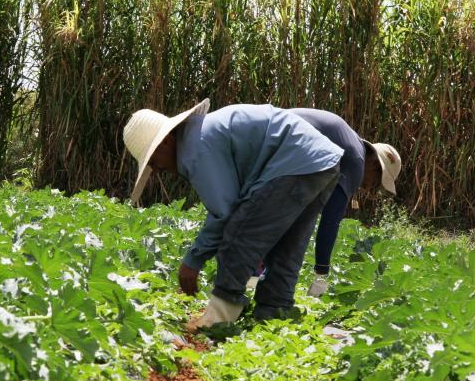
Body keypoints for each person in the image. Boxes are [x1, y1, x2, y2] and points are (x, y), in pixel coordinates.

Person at [123, 101, 343, 329]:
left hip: (294, 162)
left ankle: (218, 321)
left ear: (164, 143)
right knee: (285, 249)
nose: (157, 170)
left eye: (152, 161)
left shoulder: (194, 148)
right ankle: (273, 317)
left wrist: (193, 260)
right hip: (321, 162)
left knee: (239, 236)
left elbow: (224, 212)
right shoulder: (197, 134)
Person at [287, 109, 401, 297]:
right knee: (292, 226)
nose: (367, 187)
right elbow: (330, 221)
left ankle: (252, 278)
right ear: (374, 165)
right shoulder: (356, 161)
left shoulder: (347, 144)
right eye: (374, 182)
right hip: (286, 139)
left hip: (274, 133)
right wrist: (321, 275)